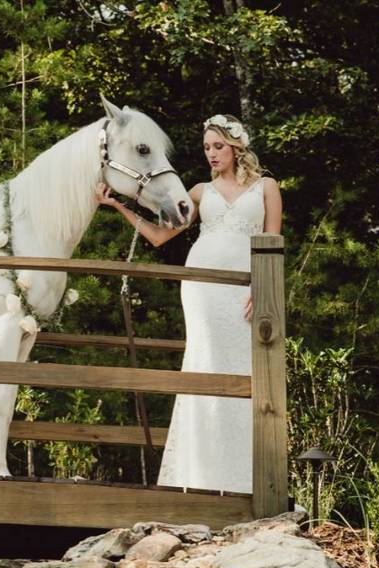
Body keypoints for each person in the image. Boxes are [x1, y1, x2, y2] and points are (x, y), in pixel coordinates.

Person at [95, 113, 283, 493]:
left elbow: (273, 243)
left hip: (246, 289)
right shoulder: (199, 191)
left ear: (235, 147)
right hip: (201, 289)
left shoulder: (266, 187)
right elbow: (161, 236)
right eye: (207, 148)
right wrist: (119, 207)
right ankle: (199, 478)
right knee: (206, 360)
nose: (212, 154)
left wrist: (263, 288)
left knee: (247, 368)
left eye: (218, 147)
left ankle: (249, 480)